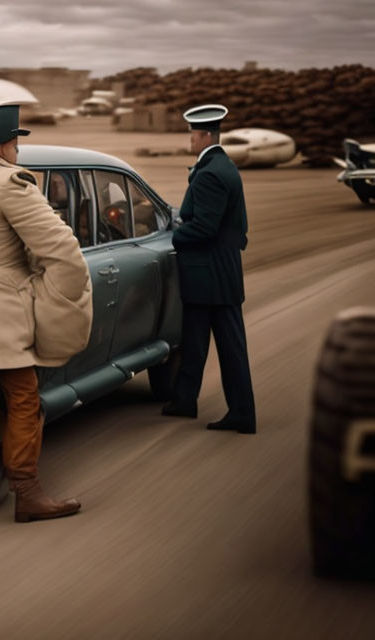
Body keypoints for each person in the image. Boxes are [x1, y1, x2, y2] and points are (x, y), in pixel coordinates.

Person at [0, 103, 93, 522]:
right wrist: (62, 296)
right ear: (7, 144)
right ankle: (28, 495)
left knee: (1, 397)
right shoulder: (10, 183)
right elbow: (61, 249)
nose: (18, 152)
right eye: (16, 144)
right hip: (9, 307)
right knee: (25, 400)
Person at [162, 104, 257, 434]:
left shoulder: (211, 174)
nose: (190, 139)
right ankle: (185, 401)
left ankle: (243, 414)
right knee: (195, 340)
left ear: (204, 135)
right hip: (217, 271)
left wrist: (175, 235)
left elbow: (204, 228)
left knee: (229, 348)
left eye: (192, 134)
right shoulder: (222, 165)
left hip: (210, 272)